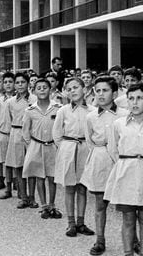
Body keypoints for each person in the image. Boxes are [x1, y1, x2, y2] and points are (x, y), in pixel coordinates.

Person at [104, 83, 143, 256]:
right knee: (128, 218)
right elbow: (113, 150)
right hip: (126, 173)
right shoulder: (118, 124)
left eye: (140, 98)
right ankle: (128, 253)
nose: (135, 102)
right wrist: (127, 164)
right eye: (131, 98)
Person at [81, 76, 129, 255]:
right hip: (100, 160)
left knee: (126, 205)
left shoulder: (125, 114)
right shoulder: (91, 116)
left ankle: (133, 239)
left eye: (105, 90)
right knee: (100, 204)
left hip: (122, 161)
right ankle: (100, 240)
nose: (100, 94)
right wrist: (101, 154)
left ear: (115, 93)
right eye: (97, 90)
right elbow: (89, 141)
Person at [53, 77, 95, 237]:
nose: (73, 91)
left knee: (82, 188)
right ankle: (70, 223)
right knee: (69, 187)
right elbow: (56, 134)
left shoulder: (92, 110)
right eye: (69, 89)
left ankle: (81, 222)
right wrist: (65, 148)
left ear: (84, 89)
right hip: (68, 149)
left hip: (85, 149)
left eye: (76, 87)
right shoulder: (63, 110)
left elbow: (93, 132)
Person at [22, 78, 63, 219]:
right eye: (38, 88)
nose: (42, 90)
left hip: (52, 146)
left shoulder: (58, 108)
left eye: (45, 87)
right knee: (40, 176)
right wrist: (32, 146)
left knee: (52, 177)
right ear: (33, 91)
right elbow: (25, 132)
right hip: (36, 145)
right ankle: (44, 205)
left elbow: (62, 127)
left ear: (50, 90)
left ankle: (52, 205)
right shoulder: (30, 110)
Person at [5, 73, 38, 208]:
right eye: (17, 82)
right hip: (16, 133)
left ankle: (32, 197)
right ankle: (23, 196)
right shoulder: (10, 102)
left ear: (28, 83)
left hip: (31, 134)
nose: (20, 85)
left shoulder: (35, 99)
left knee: (31, 166)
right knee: (18, 166)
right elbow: (7, 121)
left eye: (22, 82)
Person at [0, 72, 15, 196]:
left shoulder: (19, 100)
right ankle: (8, 188)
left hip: (15, 134)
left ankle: (18, 183)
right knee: (5, 161)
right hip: (3, 132)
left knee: (17, 162)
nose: (7, 84)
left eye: (10, 82)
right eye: (5, 82)